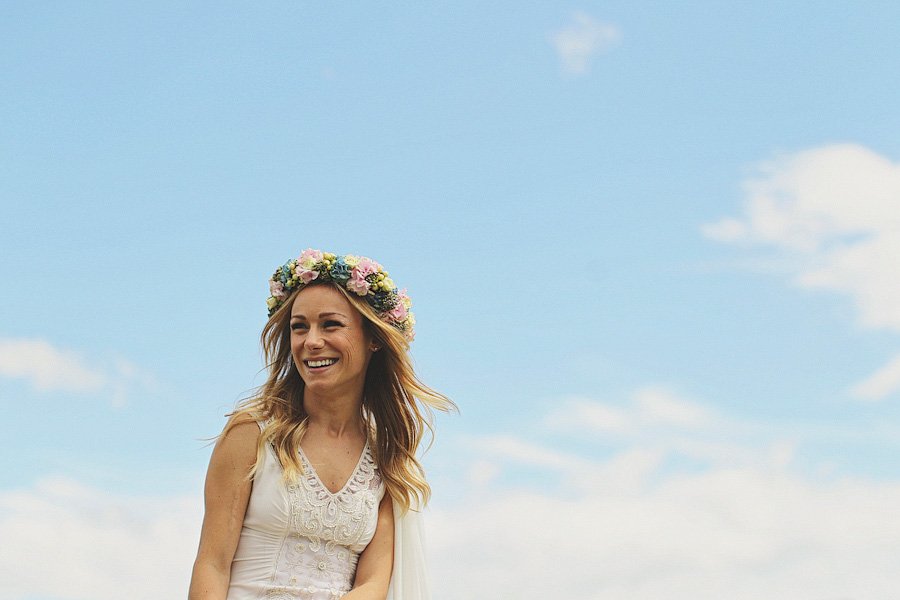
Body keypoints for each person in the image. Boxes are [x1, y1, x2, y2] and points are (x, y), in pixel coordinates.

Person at [189, 249, 454, 600]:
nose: (311, 342)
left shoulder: (388, 457)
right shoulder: (251, 432)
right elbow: (213, 564)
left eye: (330, 324)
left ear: (373, 338)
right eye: (300, 327)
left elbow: (372, 584)